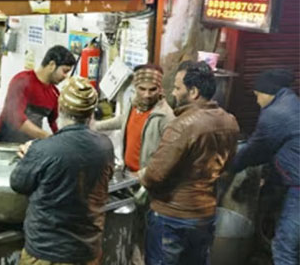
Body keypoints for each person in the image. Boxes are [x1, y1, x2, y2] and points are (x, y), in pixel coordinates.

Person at [139, 61, 239, 265]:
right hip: (205, 214)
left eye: (177, 88)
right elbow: (227, 167)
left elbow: (154, 176)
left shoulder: (181, 126)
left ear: (193, 92)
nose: (174, 94)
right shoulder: (230, 122)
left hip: (172, 217)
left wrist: (142, 174)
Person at [10, 76, 114, 265]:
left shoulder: (43, 149)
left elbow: (18, 184)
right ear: (91, 113)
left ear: (60, 109)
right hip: (87, 251)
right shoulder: (105, 146)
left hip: (46, 254)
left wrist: (30, 156)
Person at [229, 69, 299, 265]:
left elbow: (255, 151)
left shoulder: (275, 114)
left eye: (257, 95)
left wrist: (229, 168)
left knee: (284, 245)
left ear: (269, 92)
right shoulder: (291, 101)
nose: (257, 100)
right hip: (292, 180)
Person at [94, 63, 174, 173]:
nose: (147, 95)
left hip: (146, 180)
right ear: (135, 87)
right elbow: (124, 120)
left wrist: (145, 175)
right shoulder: (134, 103)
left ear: (160, 89)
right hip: (128, 172)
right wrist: (95, 126)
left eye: (152, 89)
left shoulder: (165, 116)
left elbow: (169, 156)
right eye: (142, 89)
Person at [0, 45, 76, 142]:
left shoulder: (54, 93)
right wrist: (48, 137)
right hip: (4, 144)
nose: (66, 76)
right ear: (52, 65)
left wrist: (67, 138)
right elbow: (16, 119)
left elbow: (56, 123)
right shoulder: (22, 81)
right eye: (65, 71)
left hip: (29, 146)